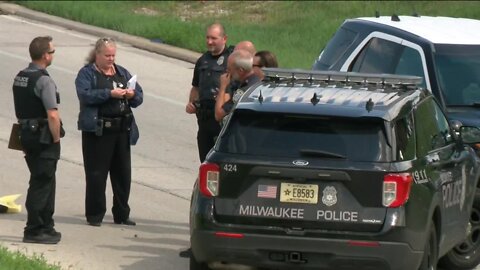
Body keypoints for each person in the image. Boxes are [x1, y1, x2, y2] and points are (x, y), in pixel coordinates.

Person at [75, 37, 143, 227]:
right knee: (96, 175)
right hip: (98, 131)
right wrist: (108, 94)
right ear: (97, 55)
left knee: (123, 175)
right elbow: (85, 95)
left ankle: (122, 214)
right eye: (107, 55)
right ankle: (95, 215)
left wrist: (132, 94)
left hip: (121, 130)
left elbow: (139, 97)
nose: (111, 59)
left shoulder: (121, 72)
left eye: (113, 55)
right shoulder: (87, 74)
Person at [12, 36, 62, 244]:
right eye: (52, 52)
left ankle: (46, 226)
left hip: (25, 133)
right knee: (42, 182)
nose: (53, 55)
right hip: (42, 137)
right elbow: (52, 114)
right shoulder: (44, 80)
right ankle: (34, 229)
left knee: (44, 179)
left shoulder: (21, 76)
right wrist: (56, 139)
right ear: (45, 55)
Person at [186, 23, 233, 162]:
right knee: (205, 161)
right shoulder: (202, 60)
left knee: (221, 162)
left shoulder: (230, 60)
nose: (209, 41)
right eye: (207, 38)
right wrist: (192, 104)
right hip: (204, 120)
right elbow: (196, 87)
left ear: (224, 39)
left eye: (214, 38)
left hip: (221, 120)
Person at [214, 49, 261, 123]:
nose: (227, 72)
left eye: (229, 69)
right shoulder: (257, 80)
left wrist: (223, 87)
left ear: (240, 70)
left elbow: (219, 115)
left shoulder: (244, 91)